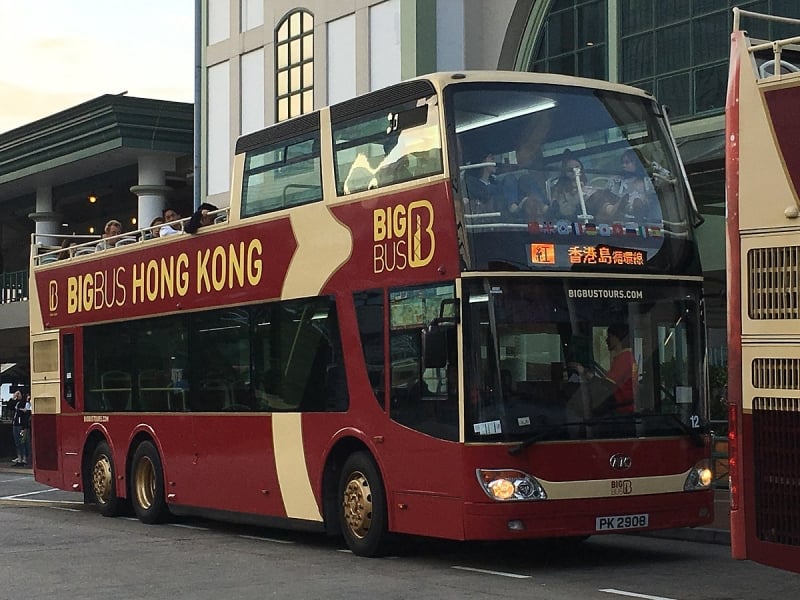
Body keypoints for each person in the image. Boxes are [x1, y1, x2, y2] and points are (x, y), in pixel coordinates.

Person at [601, 149, 657, 220]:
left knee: (638, 203)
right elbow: (605, 195)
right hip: (618, 219)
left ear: (637, 163)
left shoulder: (647, 181)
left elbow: (666, 175)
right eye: (622, 162)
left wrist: (648, 163)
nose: (623, 165)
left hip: (641, 219)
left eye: (627, 162)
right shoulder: (616, 180)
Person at [603, 323, 638, 414]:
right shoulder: (628, 356)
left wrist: (587, 374)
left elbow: (606, 386)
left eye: (609, 336)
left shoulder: (623, 358)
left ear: (618, 338)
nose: (606, 340)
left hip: (622, 411)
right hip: (626, 409)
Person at [548, 150, 594, 220]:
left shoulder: (589, 188)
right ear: (565, 173)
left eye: (577, 167)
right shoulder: (559, 191)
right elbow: (564, 211)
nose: (575, 171)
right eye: (570, 170)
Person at [10, 391, 31, 467]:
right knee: (17, 443)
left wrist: (24, 427)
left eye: (19, 394)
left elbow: (27, 413)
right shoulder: (17, 403)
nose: (18, 395)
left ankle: (24, 459)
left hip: (22, 426)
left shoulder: (26, 403)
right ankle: (19, 459)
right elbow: (10, 407)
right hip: (15, 425)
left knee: (23, 442)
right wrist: (13, 398)